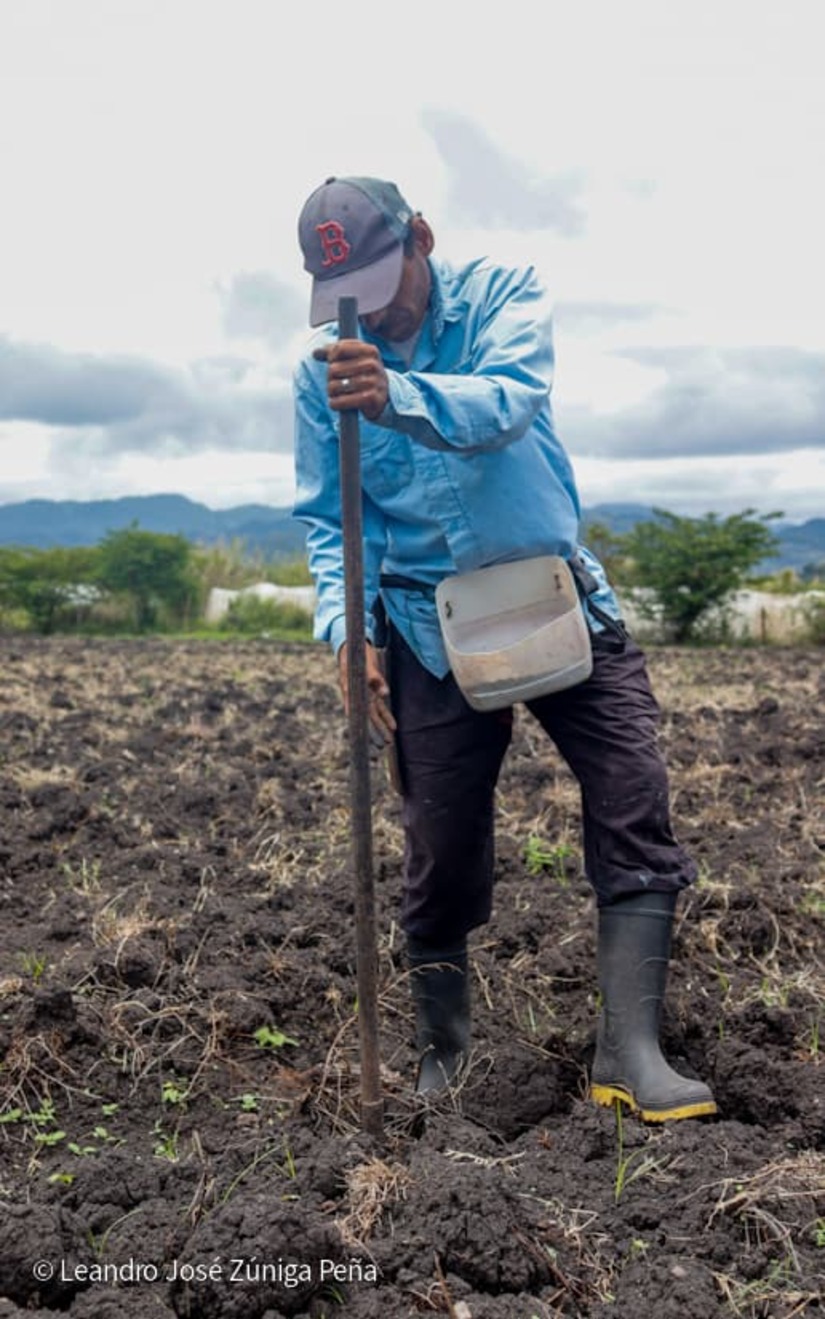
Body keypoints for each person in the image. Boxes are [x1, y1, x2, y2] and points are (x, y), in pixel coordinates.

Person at [292, 175, 716, 1122]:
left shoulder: (501, 295)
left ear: (422, 238)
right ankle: (445, 1053)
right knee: (440, 842)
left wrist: (395, 394)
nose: (366, 306)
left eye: (378, 274)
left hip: (554, 594)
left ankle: (629, 1051)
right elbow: (333, 517)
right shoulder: (320, 374)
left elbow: (506, 403)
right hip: (422, 621)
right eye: (341, 292)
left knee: (632, 795)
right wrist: (347, 629)